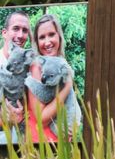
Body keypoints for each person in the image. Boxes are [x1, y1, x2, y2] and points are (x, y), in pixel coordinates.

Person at [26, 14, 79, 142]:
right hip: (42, 139)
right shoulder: (37, 66)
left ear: (59, 36)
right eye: (42, 37)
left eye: (51, 34)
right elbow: (42, 119)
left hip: (60, 140)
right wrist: (67, 86)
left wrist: (74, 124)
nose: (47, 42)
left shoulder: (61, 63)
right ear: (37, 42)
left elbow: (70, 103)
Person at [0, 11, 31, 143]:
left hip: (22, 142)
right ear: (4, 33)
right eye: (16, 28)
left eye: (25, 31)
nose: (20, 35)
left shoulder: (29, 65)